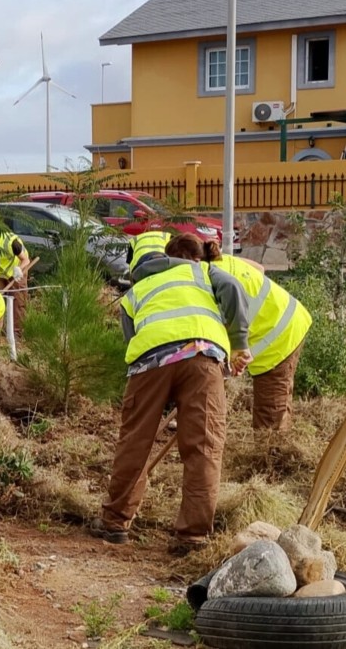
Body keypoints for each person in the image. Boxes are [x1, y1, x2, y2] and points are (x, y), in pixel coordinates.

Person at [89, 240, 252, 556]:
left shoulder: (134, 292)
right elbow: (232, 286)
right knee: (203, 446)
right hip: (203, 357)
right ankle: (191, 537)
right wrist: (238, 344)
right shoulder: (202, 271)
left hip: (150, 362)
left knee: (135, 441)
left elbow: (131, 341)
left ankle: (115, 523)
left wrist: (162, 387)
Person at [165, 233, 311, 432]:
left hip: (280, 335)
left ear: (193, 261)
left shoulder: (209, 281)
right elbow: (259, 268)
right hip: (290, 316)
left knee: (269, 416)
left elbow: (220, 328)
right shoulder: (220, 262)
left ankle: (271, 458)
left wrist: (235, 354)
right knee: (275, 405)